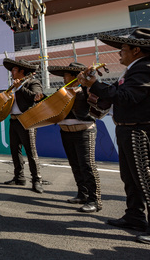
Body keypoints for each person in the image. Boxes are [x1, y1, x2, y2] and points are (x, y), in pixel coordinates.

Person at [78, 28, 150, 245]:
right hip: (130, 130)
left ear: (136, 50)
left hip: (141, 131)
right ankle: (135, 217)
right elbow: (107, 96)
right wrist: (89, 85)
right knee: (130, 178)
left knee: (146, 179)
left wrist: (94, 84)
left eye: (123, 49)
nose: (120, 53)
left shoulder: (147, 70)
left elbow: (125, 97)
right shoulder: (136, 69)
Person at [48, 62, 101, 213]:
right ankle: (82, 194)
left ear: (74, 76)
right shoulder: (61, 91)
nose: (64, 77)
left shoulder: (86, 88)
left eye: (66, 75)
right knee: (75, 164)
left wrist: (85, 83)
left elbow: (97, 102)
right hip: (66, 131)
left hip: (84, 130)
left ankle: (94, 200)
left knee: (87, 165)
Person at [2, 58, 44, 193]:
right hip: (13, 121)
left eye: (14, 70)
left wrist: (19, 88)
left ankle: (37, 180)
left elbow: (36, 96)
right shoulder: (13, 85)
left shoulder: (33, 82)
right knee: (15, 150)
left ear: (22, 71)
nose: (11, 72)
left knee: (31, 152)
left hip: (27, 121)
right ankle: (19, 177)